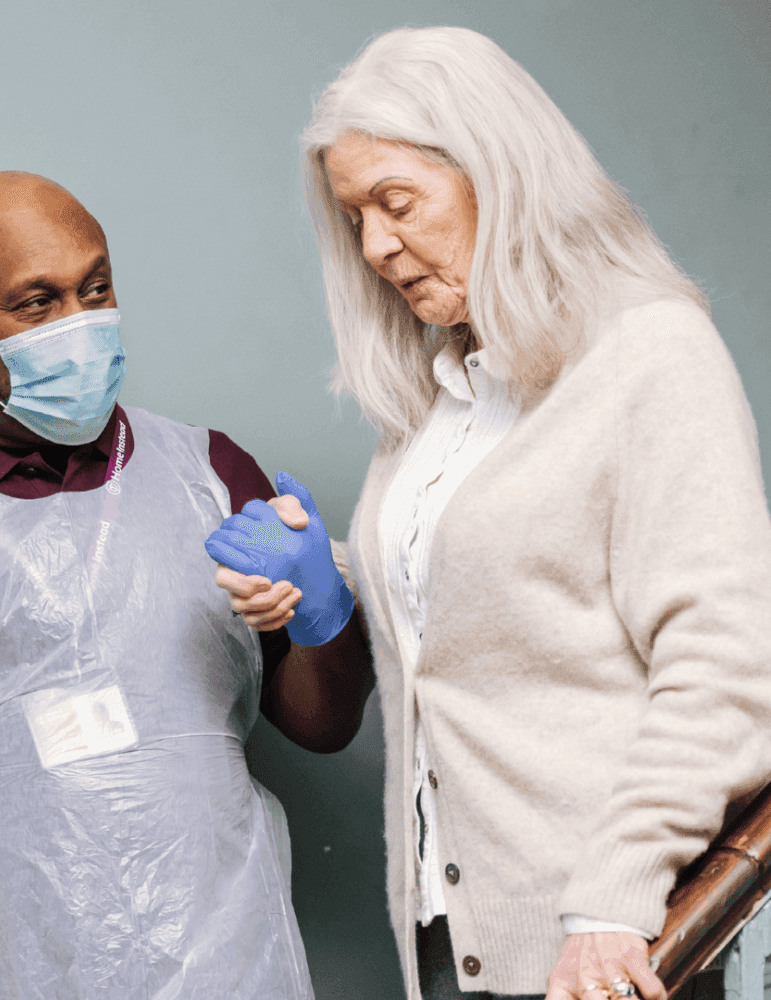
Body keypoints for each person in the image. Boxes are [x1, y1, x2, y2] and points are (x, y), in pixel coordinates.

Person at [204, 26, 771, 1000]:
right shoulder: (438, 401)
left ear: (496, 173)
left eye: (397, 202)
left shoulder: (648, 354)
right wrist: (328, 580)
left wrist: (610, 905)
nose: (377, 246)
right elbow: (492, 607)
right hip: (452, 936)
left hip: (607, 946)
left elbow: (726, 663)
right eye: (356, 220)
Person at [0, 171, 375, 1000]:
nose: (79, 327)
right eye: (37, 304)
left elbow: (324, 725)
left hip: (228, 969)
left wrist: (325, 613)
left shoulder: (208, 476)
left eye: (96, 289)